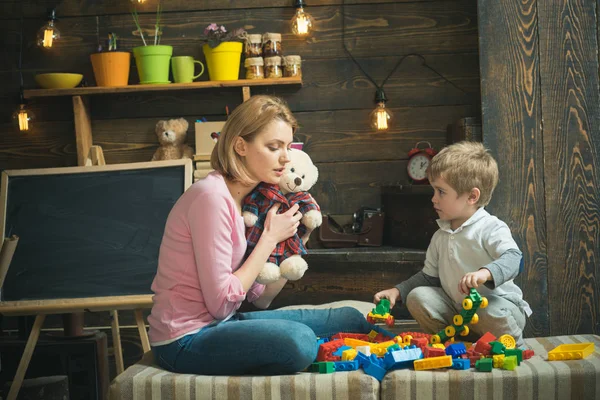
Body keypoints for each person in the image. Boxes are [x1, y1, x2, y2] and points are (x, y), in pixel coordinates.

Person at [148, 95, 374, 375]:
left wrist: (292, 242)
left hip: (224, 323)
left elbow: (262, 298)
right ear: (241, 145)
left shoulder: (250, 200)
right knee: (299, 341)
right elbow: (220, 304)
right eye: (273, 147)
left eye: (288, 146)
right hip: (184, 339)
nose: (286, 157)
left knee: (352, 320)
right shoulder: (211, 199)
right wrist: (268, 238)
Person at [374, 141, 532, 347]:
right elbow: (427, 277)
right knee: (417, 296)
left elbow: (514, 259)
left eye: (441, 192)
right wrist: (397, 291)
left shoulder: (490, 227)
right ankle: (454, 343)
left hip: (500, 308)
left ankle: (515, 345)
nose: (433, 199)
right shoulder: (441, 235)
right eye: (434, 191)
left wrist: (485, 273)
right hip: (460, 312)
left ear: (472, 196)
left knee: (489, 310)